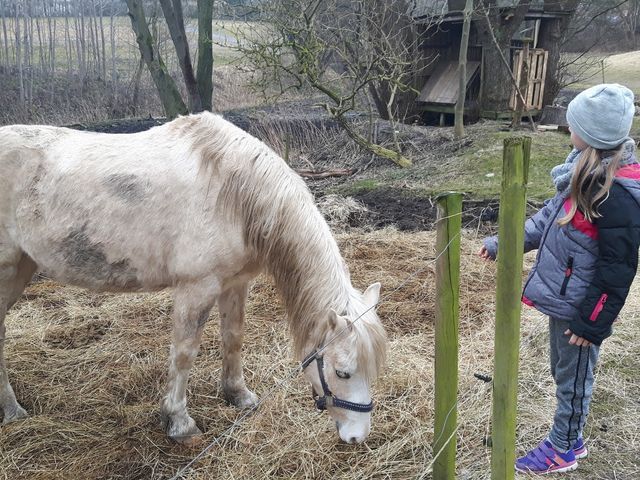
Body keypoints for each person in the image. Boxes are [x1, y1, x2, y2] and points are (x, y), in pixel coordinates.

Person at [479, 83, 639, 474]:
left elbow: (618, 269)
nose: (568, 130)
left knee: (574, 377)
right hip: (564, 298)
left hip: (583, 308)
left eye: (573, 125)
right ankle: (572, 436)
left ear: (592, 135)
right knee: (561, 370)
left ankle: (564, 447)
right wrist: (507, 242)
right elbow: (545, 220)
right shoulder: (577, 173)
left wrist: (593, 322)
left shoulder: (613, 194)